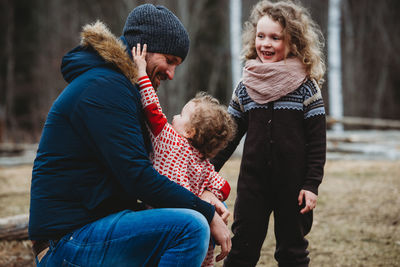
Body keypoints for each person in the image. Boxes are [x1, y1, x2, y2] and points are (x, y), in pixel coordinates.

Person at [29, 4, 231, 267]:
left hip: (89, 230)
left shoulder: (119, 86)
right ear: (142, 49)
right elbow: (138, 177)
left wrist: (204, 194)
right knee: (190, 227)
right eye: (169, 61)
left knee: (180, 220)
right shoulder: (106, 87)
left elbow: (157, 173)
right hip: (66, 243)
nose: (171, 74)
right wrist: (205, 212)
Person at [211, 0, 327, 266]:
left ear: (293, 42)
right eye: (261, 36)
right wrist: (207, 168)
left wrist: (311, 185)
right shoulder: (246, 86)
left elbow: (317, 143)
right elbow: (228, 135)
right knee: (242, 250)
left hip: (294, 187)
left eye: (276, 38)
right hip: (253, 184)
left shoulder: (306, 88)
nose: (266, 43)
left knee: (292, 253)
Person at [132, 43, 236, 266]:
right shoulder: (204, 163)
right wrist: (211, 194)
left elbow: (153, 110)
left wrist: (141, 73)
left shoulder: (170, 141)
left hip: (170, 227)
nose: (175, 116)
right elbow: (225, 187)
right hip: (200, 238)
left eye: (181, 114)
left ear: (190, 132)